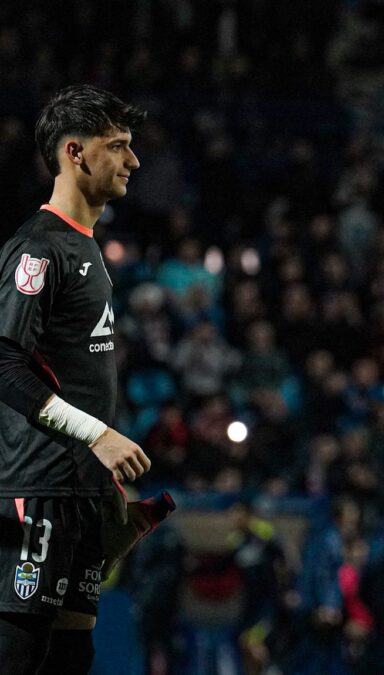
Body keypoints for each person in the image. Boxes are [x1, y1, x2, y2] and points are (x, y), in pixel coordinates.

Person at [0, 84, 153, 674]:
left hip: (81, 492)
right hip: (38, 488)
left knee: (71, 656)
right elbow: (4, 363)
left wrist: (99, 478)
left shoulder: (85, 248)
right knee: (20, 653)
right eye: (117, 146)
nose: (132, 160)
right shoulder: (38, 248)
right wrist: (97, 435)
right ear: (75, 152)